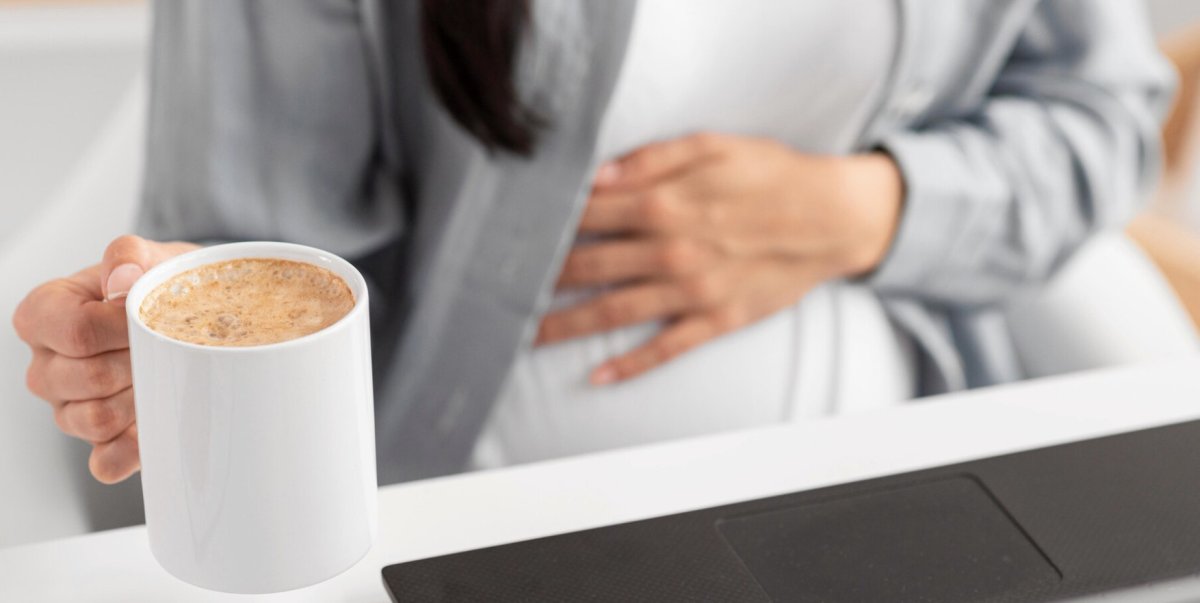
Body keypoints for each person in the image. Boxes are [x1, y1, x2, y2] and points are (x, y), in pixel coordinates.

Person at [13, 1, 1174, 485]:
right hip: (490, 520)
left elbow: (1108, 115)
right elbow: (257, 245)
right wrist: (179, 336)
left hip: (890, 484)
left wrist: (864, 209)